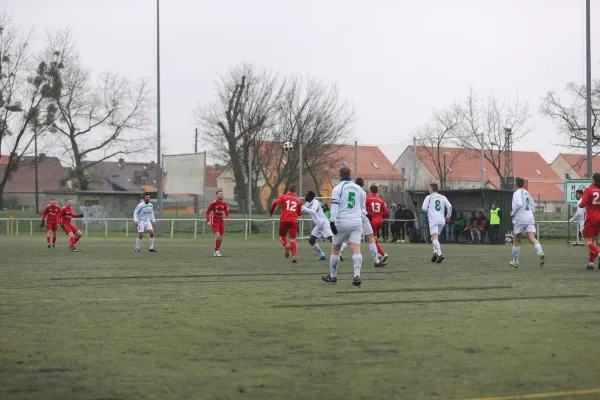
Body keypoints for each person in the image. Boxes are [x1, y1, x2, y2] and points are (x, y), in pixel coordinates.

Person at [322, 167, 365, 286]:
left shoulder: (338, 188)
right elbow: (361, 207)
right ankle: (357, 275)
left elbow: (335, 206)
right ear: (350, 174)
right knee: (356, 249)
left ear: (339, 175)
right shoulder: (359, 189)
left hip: (342, 221)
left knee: (335, 249)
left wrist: (332, 221)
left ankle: (333, 276)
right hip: (357, 221)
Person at [339, 178, 387, 267]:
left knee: (349, 237)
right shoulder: (362, 193)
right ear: (363, 184)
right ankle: (376, 261)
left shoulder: (348, 191)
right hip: (362, 216)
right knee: (371, 238)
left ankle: (339, 252)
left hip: (352, 216)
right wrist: (367, 214)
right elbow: (362, 207)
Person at [509, 177, 545, 268]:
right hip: (529, 217)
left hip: (521, 218)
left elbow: (518, 204)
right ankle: (540, 253)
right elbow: (533, 205)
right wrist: (528, 213)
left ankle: (515, 262)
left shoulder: (516, 193)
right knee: (532, 237)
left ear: (516, 184)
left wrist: (513, 213)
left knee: (516, 239)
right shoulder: (526, 192)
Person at [269, 184, 302, 263]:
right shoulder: (298, 200)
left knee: (282, 236)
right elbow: (299, 213)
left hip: (284, 220)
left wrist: (271, 213)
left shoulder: (283, 197)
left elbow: (274, 203)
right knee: (293, 239)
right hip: (293, 221)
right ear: (295, 191)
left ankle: (286, 246)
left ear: (288, 190)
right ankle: (293, 256)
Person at [422, 183, 452, 263]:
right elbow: (449, 206)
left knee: (434, 238)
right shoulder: (443, 197)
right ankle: (434, 253)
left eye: (429, 188)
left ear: (431, 189)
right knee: (434, 238)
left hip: (433, 220)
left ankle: (440, 254)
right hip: (442, 220)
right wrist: (448, 216)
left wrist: (429, 209)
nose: (428, 190)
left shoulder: (429, 197)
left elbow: (424, 208)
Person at [302, 191, 333, 260]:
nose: (305, 196)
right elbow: (301, 212)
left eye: (306, 195)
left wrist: (302, 206)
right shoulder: (307, 204)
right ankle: (322, 255)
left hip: (324, 223)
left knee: (331, 239)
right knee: (311, 240)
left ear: (310, 196)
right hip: (318, 225)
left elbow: (312, 211)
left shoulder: (315, 202)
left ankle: (338, 253)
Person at [578, 177, 600, 270]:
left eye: (592, 178)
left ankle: (599, 255)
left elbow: (582, 204)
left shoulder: (588, 189)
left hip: (590, 218)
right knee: (594, 241)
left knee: (587, 242)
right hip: (599, 218)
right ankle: (591, 263)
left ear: (594, 180)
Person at [366, 185, 389, 259]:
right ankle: (378, 253)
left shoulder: (367, 199)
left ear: (370, 190)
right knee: (374, 238)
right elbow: (385, 212)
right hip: (379, 221)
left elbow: (364, 209)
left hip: (372, 220)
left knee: (371, 239)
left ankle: (382, 254)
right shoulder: (380, 200)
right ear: (377, 191)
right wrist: (380, 216)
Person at [205, 190, 230, 257]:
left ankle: (215, 249)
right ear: (217, 195)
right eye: (220, 194)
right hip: (214, 222)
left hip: (221, 222)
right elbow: (207, 212)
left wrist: (228, 217)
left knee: (220, 238)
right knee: (218, 236)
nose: (221, 195)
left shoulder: (224, 203)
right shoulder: (213, 203)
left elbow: (227, 211)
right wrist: (208, 221)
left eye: (222, 194)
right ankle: (216, 251)